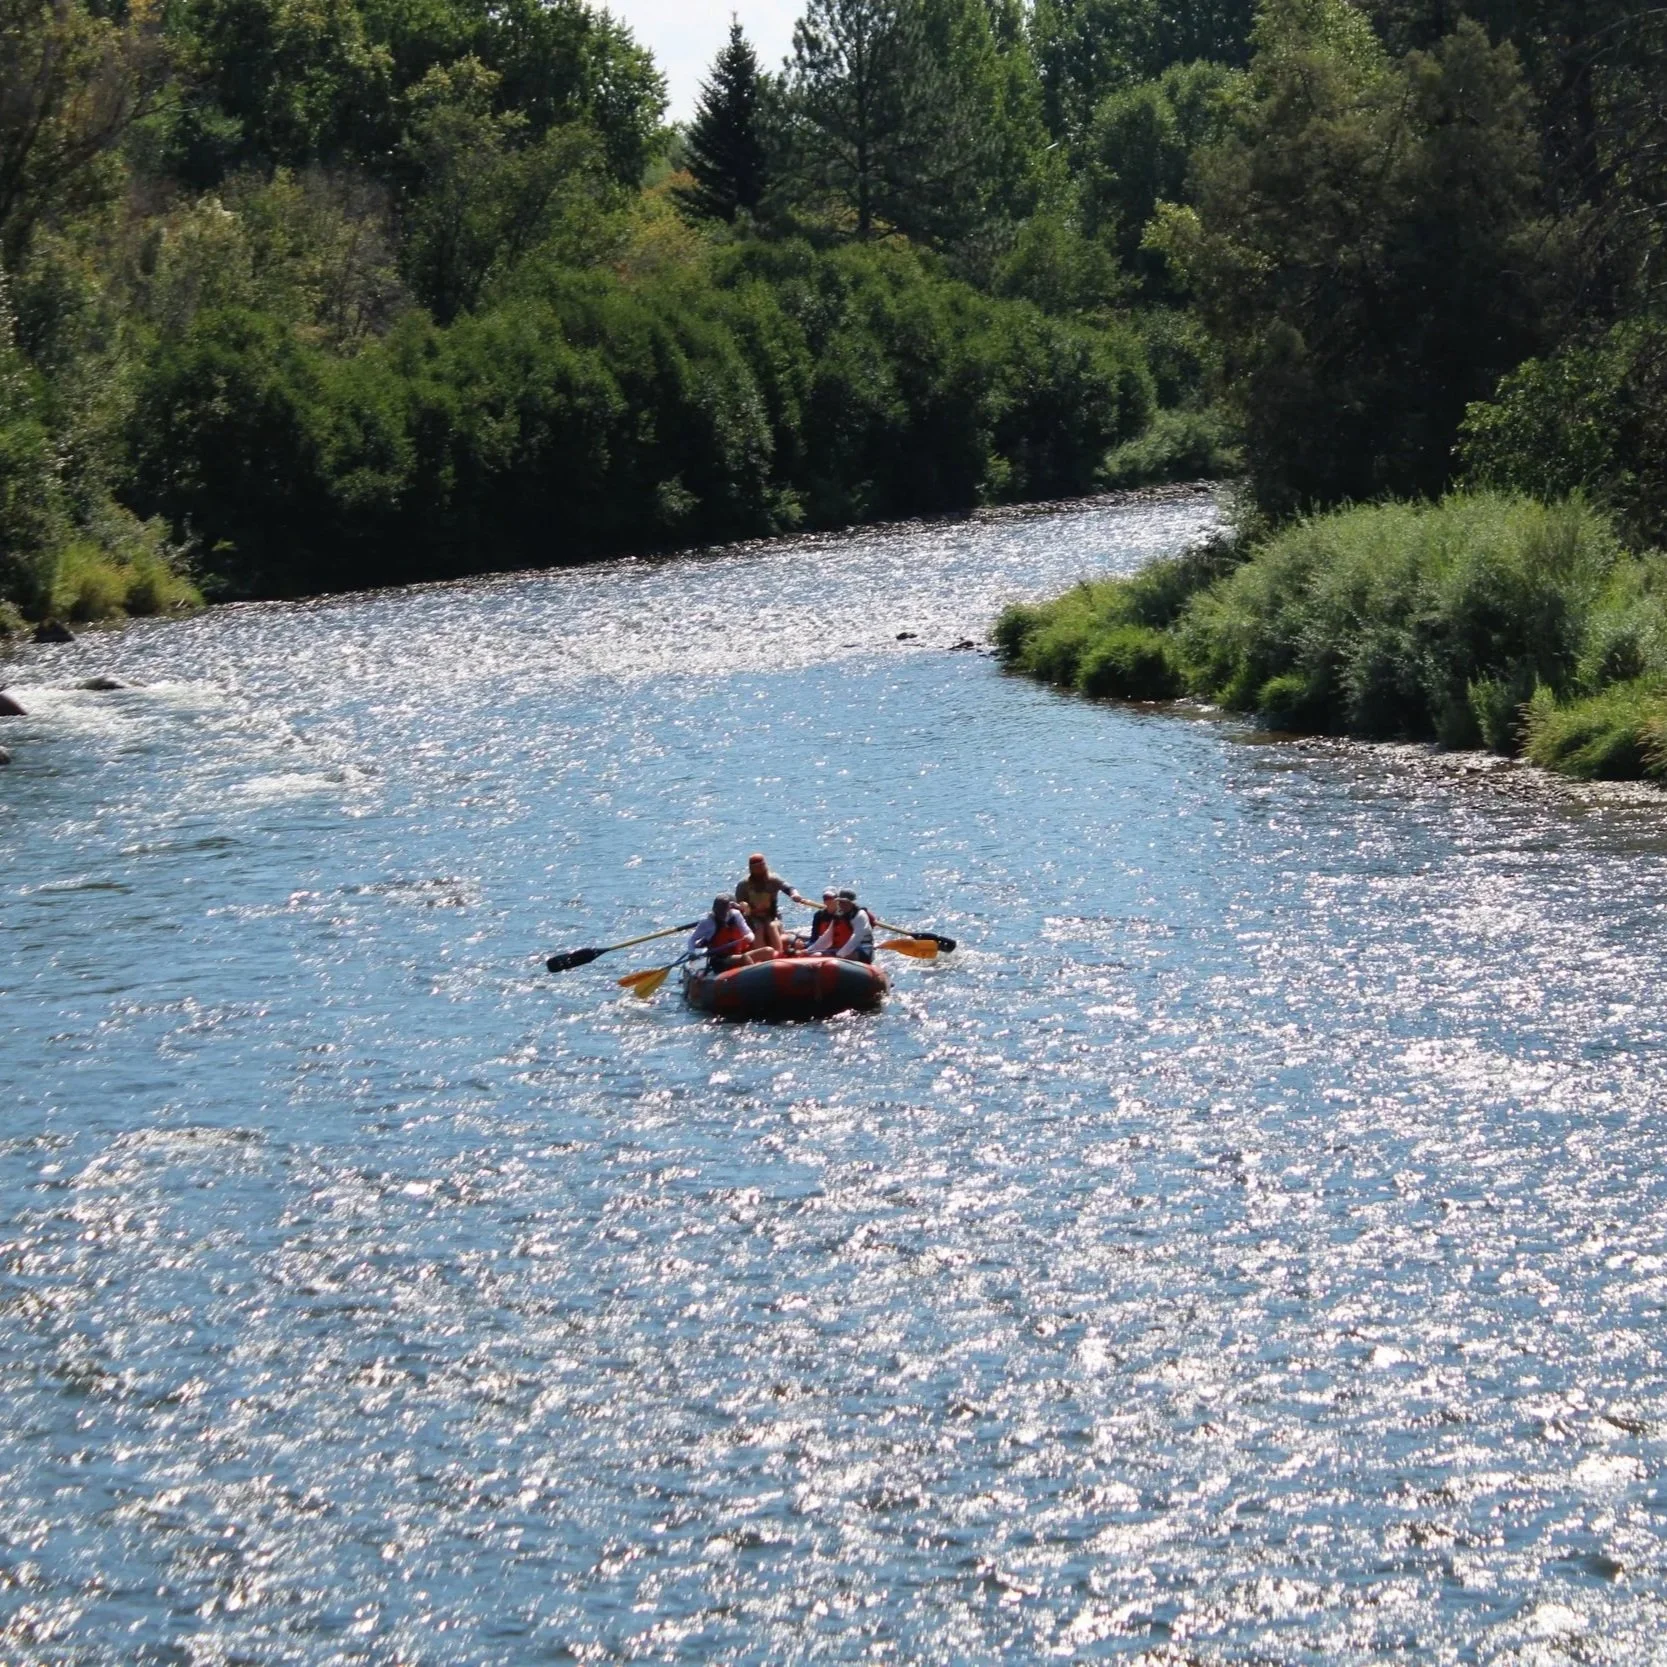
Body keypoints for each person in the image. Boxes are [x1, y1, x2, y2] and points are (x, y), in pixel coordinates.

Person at [735, 853, 813, 954]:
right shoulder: (743, 884)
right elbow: (738, 905)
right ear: (751, 869)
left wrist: (794, 894)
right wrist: (743, 906)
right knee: (759, 928)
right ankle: (762, 955)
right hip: (752, 919)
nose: (759, 870)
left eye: (761, 866)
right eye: (756, 867)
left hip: (772, 917)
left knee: (772, 926)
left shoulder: (773, 880)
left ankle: (778, 953)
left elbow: (788, 888)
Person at [689, 895, 775, 972]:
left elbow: (748, 933)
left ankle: (770, 976)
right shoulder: (708, 922)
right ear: (714, 909)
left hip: (738, 953)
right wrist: (692, 952)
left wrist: (749, 936)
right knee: (745, 958)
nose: (721, 913)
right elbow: (692, 939)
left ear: (729, 908)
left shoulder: (735, 915)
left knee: (768, 951)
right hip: (720, 959)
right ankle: (756, 978)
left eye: (723, 910)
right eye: (719, 910)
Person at [805, 888, 874, 963]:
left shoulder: (860, 915)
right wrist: (809, 950)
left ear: (852, 902)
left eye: (844, 902)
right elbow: (827, 937)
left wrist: (839, 955)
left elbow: (856, 938)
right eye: (840, 902)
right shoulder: (838, 914)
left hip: (862, 950)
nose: (841, 904)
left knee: (829, 960)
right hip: (842, 950)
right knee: (816, 955)